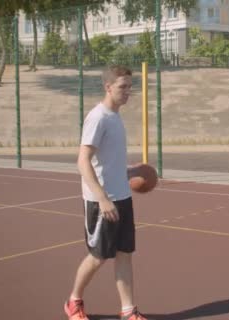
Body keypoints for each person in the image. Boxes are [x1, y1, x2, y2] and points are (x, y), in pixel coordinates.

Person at [63, 65, 147, 320]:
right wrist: (102, 198)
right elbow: (83, 161)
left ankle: (128, 311)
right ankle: (74, 302)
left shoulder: (115, 117)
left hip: (122, 197)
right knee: (98, 256)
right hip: (103, 202)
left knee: (124, 255)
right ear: (108, 87)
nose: (127, 92)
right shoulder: (98, 117)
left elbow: (107, 162)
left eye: (129, 87)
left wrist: (130, 173)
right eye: (123, 87)